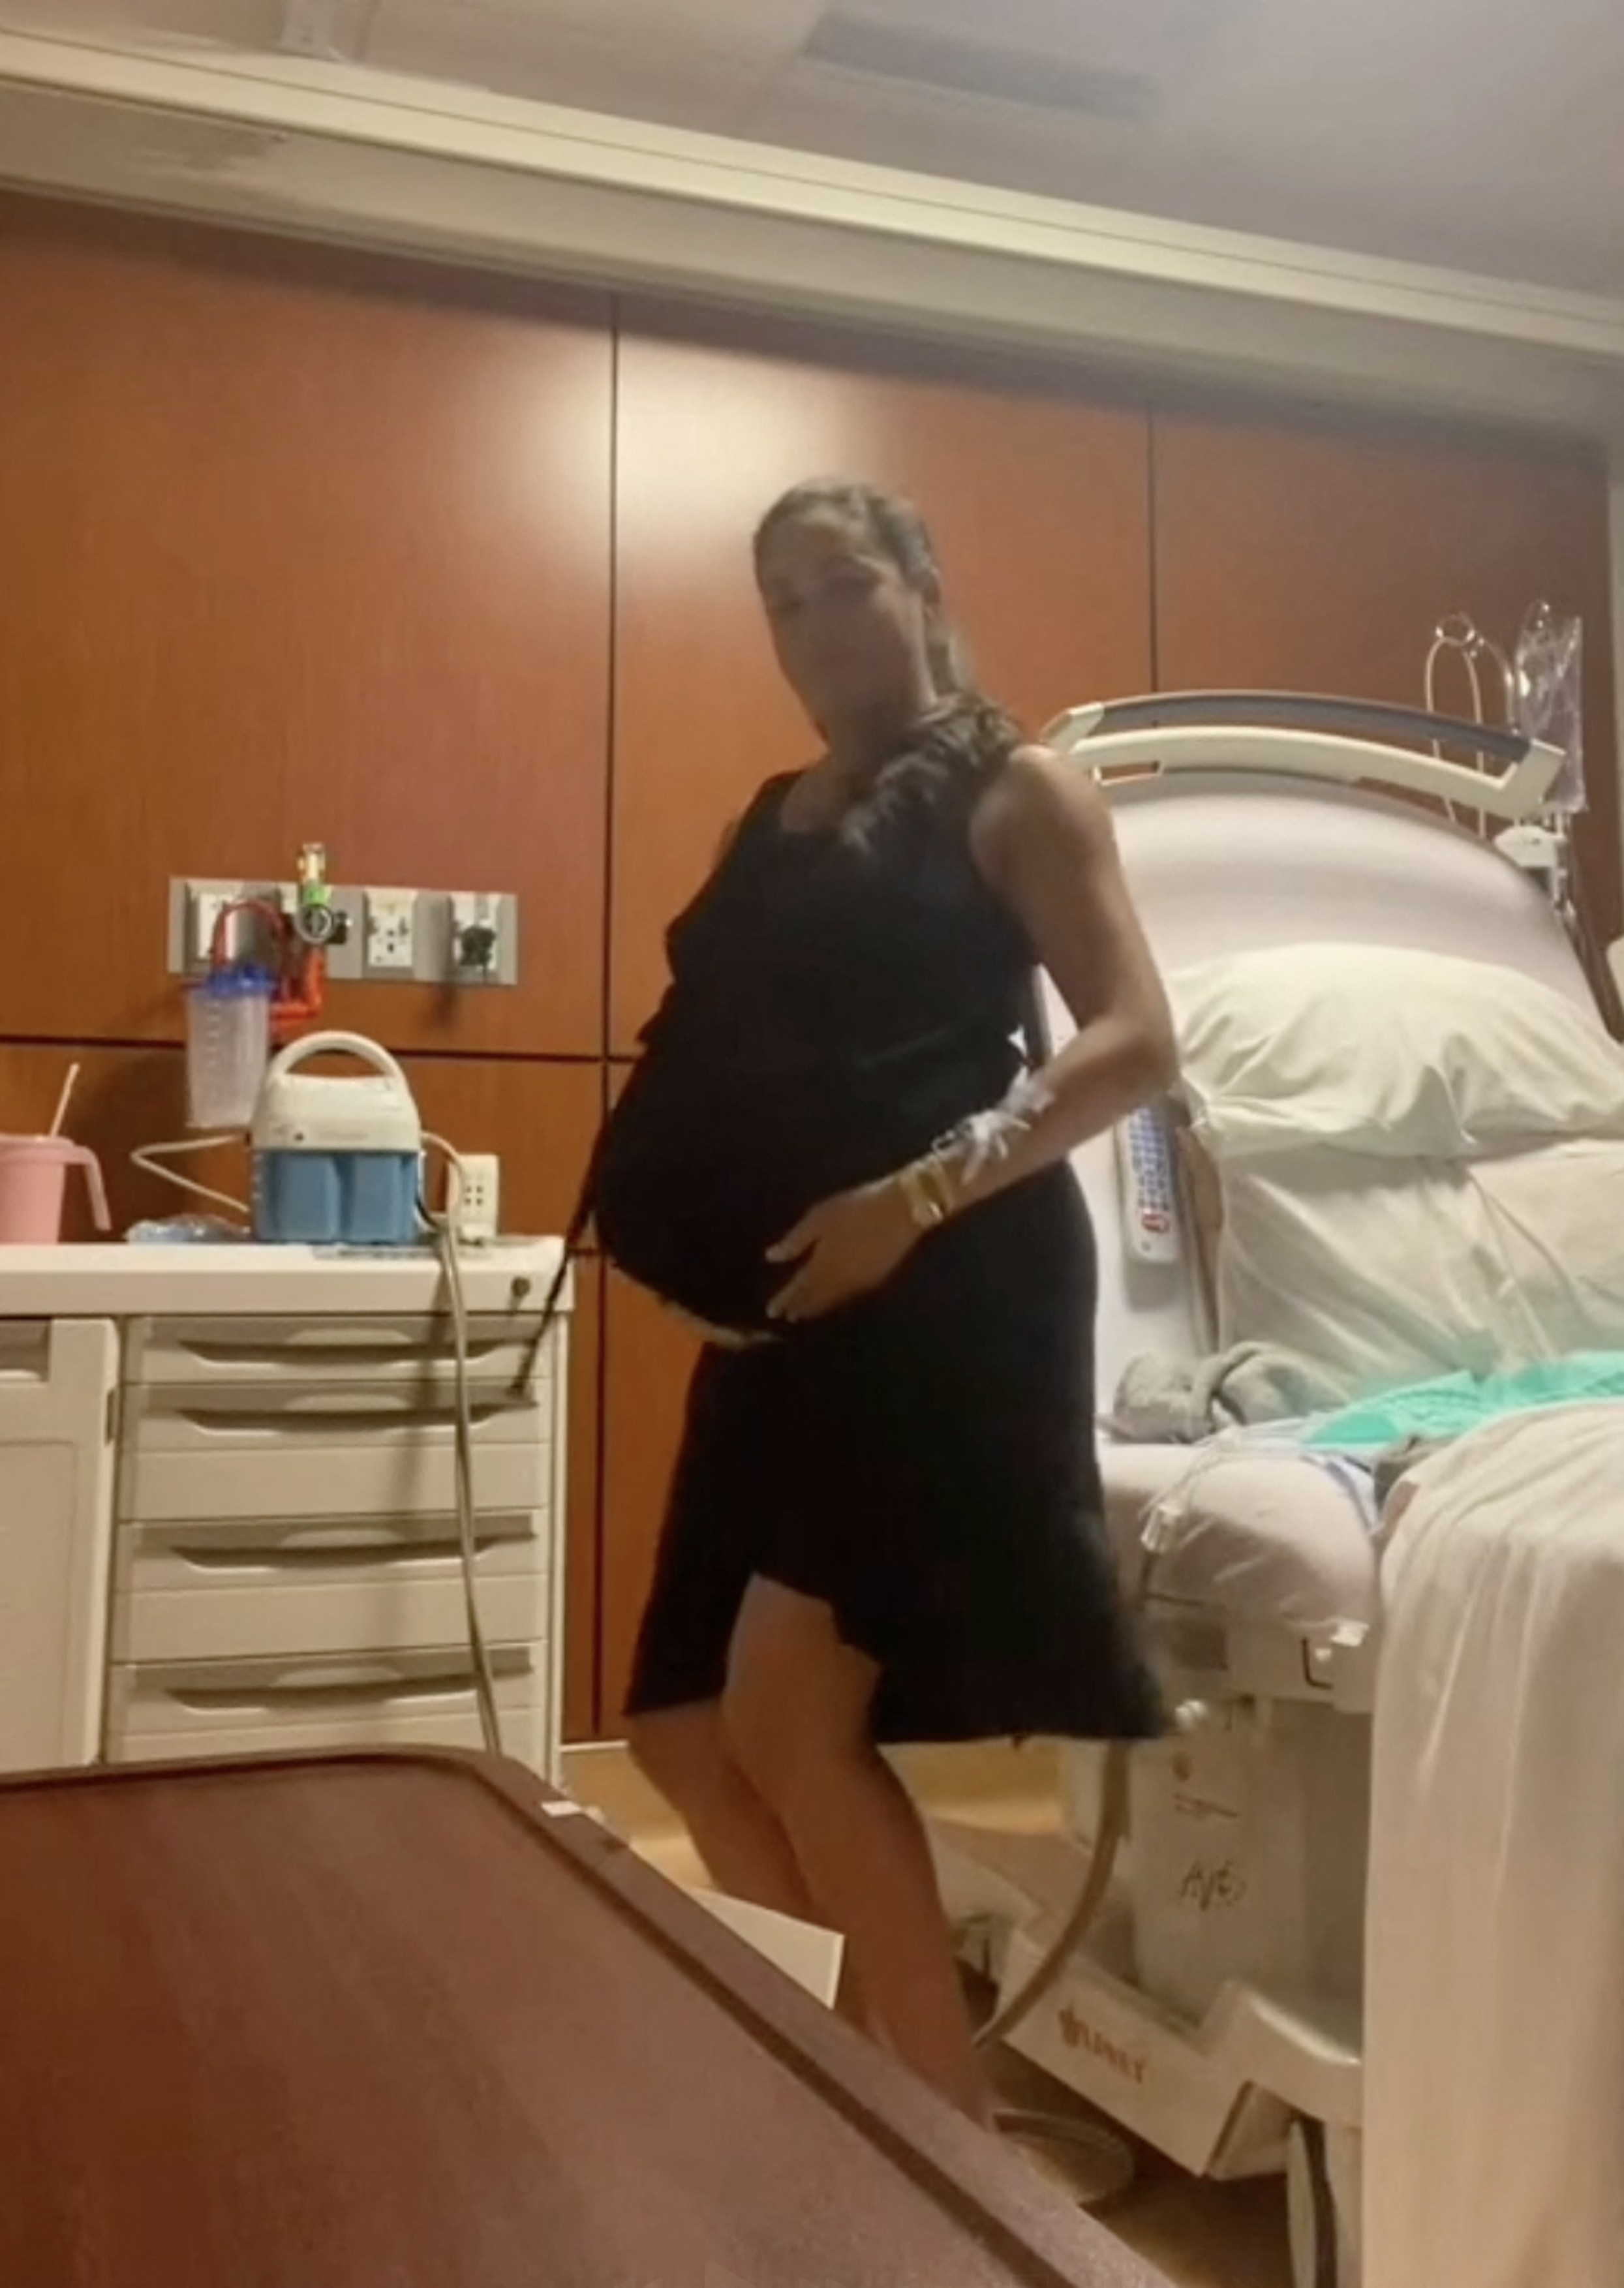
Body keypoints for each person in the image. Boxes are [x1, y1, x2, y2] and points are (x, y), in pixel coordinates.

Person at [620, 478, 1176, 2127]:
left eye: (844, 582)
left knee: (790, 1714)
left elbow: (1137, 1040)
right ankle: (852, 2098)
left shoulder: (1022, 791)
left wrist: (913, 1197)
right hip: (792, 1307)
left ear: (924, 587)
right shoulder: (773, 813)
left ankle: (950, 2156)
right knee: (681, 1729)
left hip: (951, 1287)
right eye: (782, 601)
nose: (813, 626)